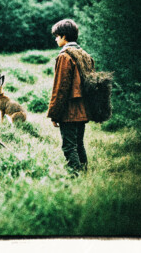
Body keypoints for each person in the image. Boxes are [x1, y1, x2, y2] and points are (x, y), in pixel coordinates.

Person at [47, 19, 94, 176]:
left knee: (68, 146)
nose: (55, 39)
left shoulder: (65, 57)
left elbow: (60, 89)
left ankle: (76, 175)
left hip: (69, 110)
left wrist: (54, 114)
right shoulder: (85, 55)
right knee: (78, 143)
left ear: (64, 36)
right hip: (83, 109)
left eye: (57, 36)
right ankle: (85, 173)